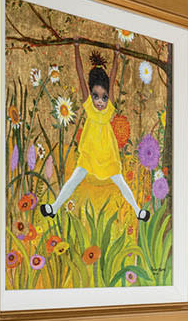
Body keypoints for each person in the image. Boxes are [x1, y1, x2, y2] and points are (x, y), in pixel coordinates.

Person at [40, 61, 150, 221]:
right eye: (96, 96)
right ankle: (54, 207)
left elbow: (112, 80)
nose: (100, 101)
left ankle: (138, 211)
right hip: (90, 154)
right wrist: (76, 49)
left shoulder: (109, 110)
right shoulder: (89, 107)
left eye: (104, 97)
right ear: (90, 95)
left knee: (121, 183)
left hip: (107, 155)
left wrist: (116, 57)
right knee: (74, 180)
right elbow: (80, 75)